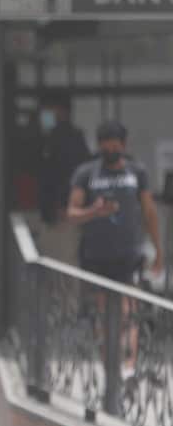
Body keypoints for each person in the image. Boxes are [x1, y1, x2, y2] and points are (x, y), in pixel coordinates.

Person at [67, 120, 164, 285]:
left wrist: (158, 250)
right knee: (99, 305)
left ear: (123, 145)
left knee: (128, 303)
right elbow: (72, 213)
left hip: (129, 253)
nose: (111, 152)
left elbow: (149, 212)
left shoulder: (137, 172)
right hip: (95, 254)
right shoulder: (86, 173)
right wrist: (94, 211)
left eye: (115, 147)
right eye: (106, 148)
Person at [37, 91, 91, 226]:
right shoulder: (50, 137)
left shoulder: (70, 137)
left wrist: (63, 204)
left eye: (49, 110)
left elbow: (71, 173)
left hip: (64, 211)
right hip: (52, 210)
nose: (45, 115)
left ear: (62, 111)